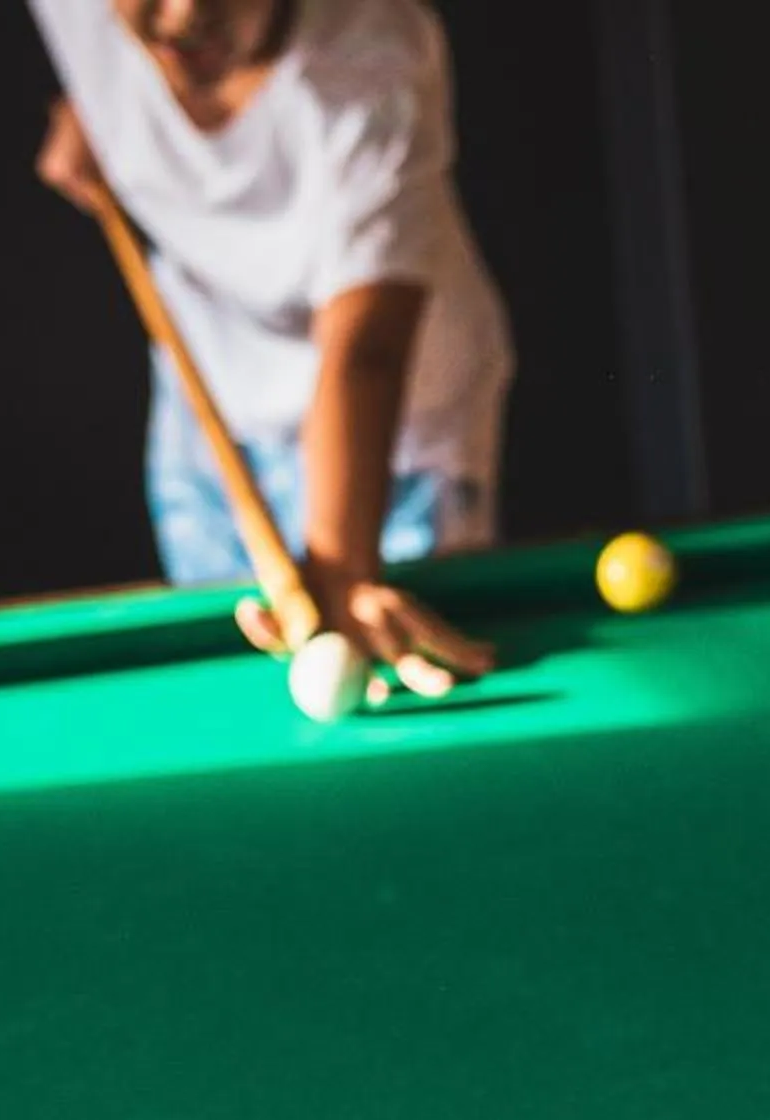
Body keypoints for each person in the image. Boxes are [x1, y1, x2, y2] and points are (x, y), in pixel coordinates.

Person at [30, 0, 510, 690]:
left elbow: (365, 347)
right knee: (237, 682)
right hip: (207, 391)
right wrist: (95, 103)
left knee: (387, 670)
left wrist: (344, 570)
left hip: (393, 426)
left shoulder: (374, 56)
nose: (186, 14)